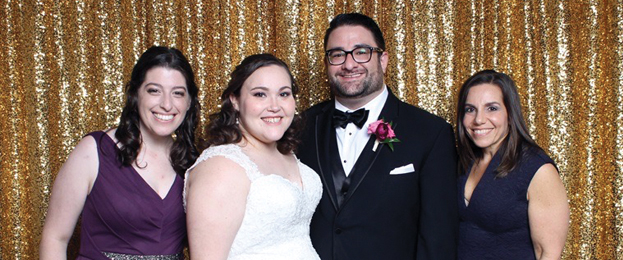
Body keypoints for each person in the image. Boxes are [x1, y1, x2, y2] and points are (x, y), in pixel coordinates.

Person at [297, 13, 458, 260]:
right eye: (337, 54)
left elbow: (438, 239)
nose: (349, 64)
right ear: (327, 63)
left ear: (382, 60)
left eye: (361, 51)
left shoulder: (430, 133)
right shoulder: (300, 127)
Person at [39, 46, 200, 259]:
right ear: (135, 94)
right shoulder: (94, 151)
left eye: (178, 93)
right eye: (154, 90)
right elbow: (55, 238)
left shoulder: (194, 162)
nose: (166, 104)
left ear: (188, 101)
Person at [184, 53, 322, 260]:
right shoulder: (220, 166)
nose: (275, 106)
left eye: (284, 94)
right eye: (260, 94)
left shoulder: (287, 153)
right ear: (235, 101)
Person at [455, 70, 569, 259]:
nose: (479, 119)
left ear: (510, 113)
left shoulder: (538, 169)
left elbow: (548, 253)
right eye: (470, 109)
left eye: (492, 108)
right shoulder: (463, 161)